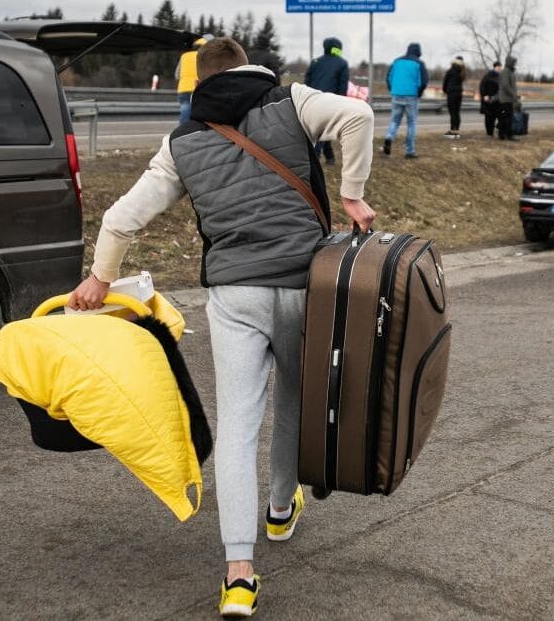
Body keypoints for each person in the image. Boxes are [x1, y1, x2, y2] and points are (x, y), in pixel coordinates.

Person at [68, 37, 377, 618]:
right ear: (249, 67)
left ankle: (239, 574)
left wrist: (101, 278)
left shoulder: (182, 141)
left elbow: (119, 218)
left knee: (237, 425)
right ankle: (281, 513)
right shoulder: (292, 101)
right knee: (293, 399)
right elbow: (358, 115)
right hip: (302, 282)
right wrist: (352, 194)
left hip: (235, 294)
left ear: (198, 84)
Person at [304, 36, 349, 164]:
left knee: (322, 127)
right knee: (324, 129)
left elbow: (307, 81)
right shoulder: (342, 63)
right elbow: (342, 86)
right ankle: (315, 158)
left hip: (312, 99)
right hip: (330, 101)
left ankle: (329, 157)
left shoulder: (315, 62)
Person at [383, 42, 428, 158]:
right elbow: (424, 81)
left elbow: (389, 78)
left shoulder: (397, 61)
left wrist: (392, 89)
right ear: (418, 52)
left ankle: (389, 136)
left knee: (395, 120)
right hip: (411, 96)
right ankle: (410, 151)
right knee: (411, 123)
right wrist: (419, 93)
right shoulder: (419, 63)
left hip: (396, 94)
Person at [175, 35, 210, 125]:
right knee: (201, 112)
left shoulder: (184, 56)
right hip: (198, 87)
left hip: (183, 89)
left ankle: (182, 131)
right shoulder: (204, 56)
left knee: (185, 109)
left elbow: (177, 75)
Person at [442, 56, 466, 138]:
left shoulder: (451, 70)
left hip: (451, 93)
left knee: (452, 112)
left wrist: (445, 90)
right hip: (459, 93)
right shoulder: (462, 71)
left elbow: (445, 82)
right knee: (457, 112)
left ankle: (452, 131)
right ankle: (457, 131)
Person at [497, 55, 519, 140]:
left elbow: (511, 85)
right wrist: (513, 94)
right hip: (505, 99)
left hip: (509, 99)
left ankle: (506, 134)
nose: (515, 64)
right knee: (505, 118)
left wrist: (514, 95)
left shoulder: (510, 71)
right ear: (510, 62)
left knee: (508, 118)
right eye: (513, 63)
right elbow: (506, 85)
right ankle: (505, 135)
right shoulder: (505, 72)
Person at [478, 61, 501, 136]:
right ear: (494, 67)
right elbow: (482, 85)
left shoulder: (500, 76)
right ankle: (489, 133)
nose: (499, 68)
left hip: (497, 100)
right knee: (489, 117)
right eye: (498, 67)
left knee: (499, 116)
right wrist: (484, 95)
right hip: (488, 99)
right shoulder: (488, 75)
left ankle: (496, 130)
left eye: (500, 67)